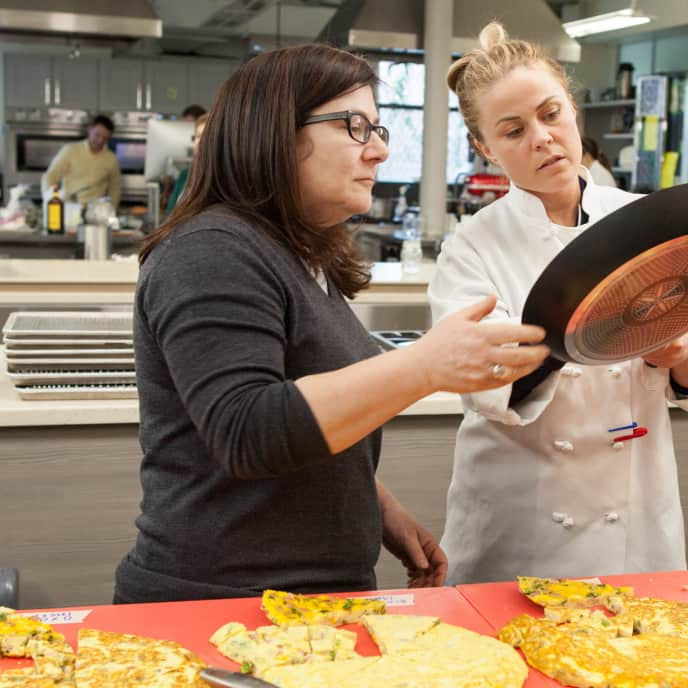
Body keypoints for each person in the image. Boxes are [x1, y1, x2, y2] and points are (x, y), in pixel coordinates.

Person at [113, 43, 549, 603]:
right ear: (275, 132)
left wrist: (376, 506)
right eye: (355, 127)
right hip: (221, 600)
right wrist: (424, 365)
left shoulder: (297, 258)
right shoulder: (211, 250)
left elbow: (302, 411)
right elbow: (248, 430)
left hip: (306, 599)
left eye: (379, 130)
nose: (379, 153)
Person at [429, 21, 688, 585]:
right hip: (525, 530)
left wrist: (673, 355)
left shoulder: (652, 224)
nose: (541, 138)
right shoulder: (471, 249)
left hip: (637, 522)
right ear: (485, 147)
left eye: (550, 115)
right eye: (513, 130)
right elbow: (484, 379)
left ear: (573, 110)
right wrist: (596, 330)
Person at [41, 114, 121, 210]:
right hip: (70, 208)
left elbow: (115, 189)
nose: (100, 141)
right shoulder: (70, 150)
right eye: (97, 135)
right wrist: (49, 200)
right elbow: (50, 176)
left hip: (96, 212)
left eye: (105, 138)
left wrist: (111, 211)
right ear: (89, 129)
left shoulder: (111, 159)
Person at [164, 113, 208, 217]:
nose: (199, 142)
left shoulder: (223, 181)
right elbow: (169, 214)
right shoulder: (185, 174)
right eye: (197, 136)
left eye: (205, 136)